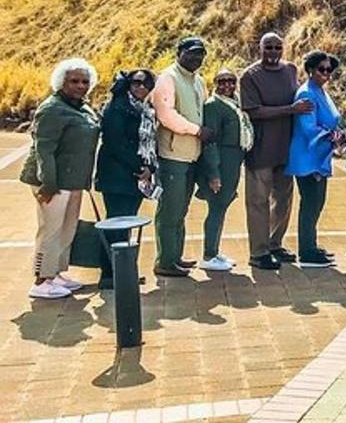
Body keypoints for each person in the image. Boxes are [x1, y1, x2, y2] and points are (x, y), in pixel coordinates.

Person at [22, 59, 101, 300]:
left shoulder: (83, 107)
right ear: (61, 82)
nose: (80, 86)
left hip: (74, 181)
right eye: (74, 81)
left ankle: (55, 273)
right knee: (51, 230)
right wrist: (48, 183)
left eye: (85, 81)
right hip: (53, 182)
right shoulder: (52, 109)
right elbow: (44, 149)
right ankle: (41, 280)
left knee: (68, 229)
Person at [241, 33, 312, 270]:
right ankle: (258, 252)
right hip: (261, 149)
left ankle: (275, 243)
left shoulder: (290, 70)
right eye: (268, 47)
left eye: (277, 48)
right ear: (259, 49)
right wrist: (290, 110)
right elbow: (253, 111)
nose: (273, 52)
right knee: (258, 202)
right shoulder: (250, 76)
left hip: (286, 148)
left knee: (283, 199)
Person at [150, 36, 211, 278]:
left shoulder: (198, 81)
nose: (196, 58)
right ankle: (164, 261)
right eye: (192, 52)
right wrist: (196, 131)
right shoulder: (168, 78)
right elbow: (166, 115)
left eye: (201, 54)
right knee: (170, 211)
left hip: (192, 155)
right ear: (179, 53)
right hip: (172, 155)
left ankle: (175, 256)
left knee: (181, 210)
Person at [94, 69, 157, 290]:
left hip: (135, 177)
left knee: (127, 223)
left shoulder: (145, 108)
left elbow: (148, 143)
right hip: (117, 176)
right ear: (128, 84)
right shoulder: (117, 107)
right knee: (115, 224)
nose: (142, 87)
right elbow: (114, 143)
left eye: (147, 84)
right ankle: (109, 275)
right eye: (137, 83)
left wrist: (149, 168)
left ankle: (124, 272)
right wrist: (139, 167)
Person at [286, 51, 343, 268]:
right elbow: (308, 127)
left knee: (317, 203)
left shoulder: (320, 91)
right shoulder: (306, 94)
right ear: (310, 70)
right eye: (321, 69)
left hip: (321, 156)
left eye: (329, 70)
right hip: (308, 157)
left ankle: (311, 245)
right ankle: (307, 252)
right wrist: (331, 136)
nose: (326, 73)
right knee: (310, 204)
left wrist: (337, 135)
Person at [195, 68, 253, 271]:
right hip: (221, 161)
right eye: (222, 81)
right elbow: (209, 141)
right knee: (216, 208)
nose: (227, 85)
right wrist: (213, 173)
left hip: (233, 161)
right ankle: (208, 255)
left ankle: (214, 251)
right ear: (215, 84)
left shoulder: (235, 103)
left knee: (221, 208)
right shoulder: (213, 106)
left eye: (231, 81)